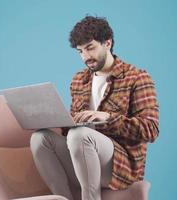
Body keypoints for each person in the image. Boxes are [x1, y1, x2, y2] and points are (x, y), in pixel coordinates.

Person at [30, 15, 159, 200]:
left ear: (107, 43)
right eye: (80, 51)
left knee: (80, 135)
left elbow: (151, 130)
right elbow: (71, 132)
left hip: (120, 166)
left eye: (90, 48)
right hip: (83, 158)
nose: (86, 57)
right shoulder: (78, 80)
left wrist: (107, 117)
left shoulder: (137, 77)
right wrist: (55, 119)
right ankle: (63, 197)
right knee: (40, 138)